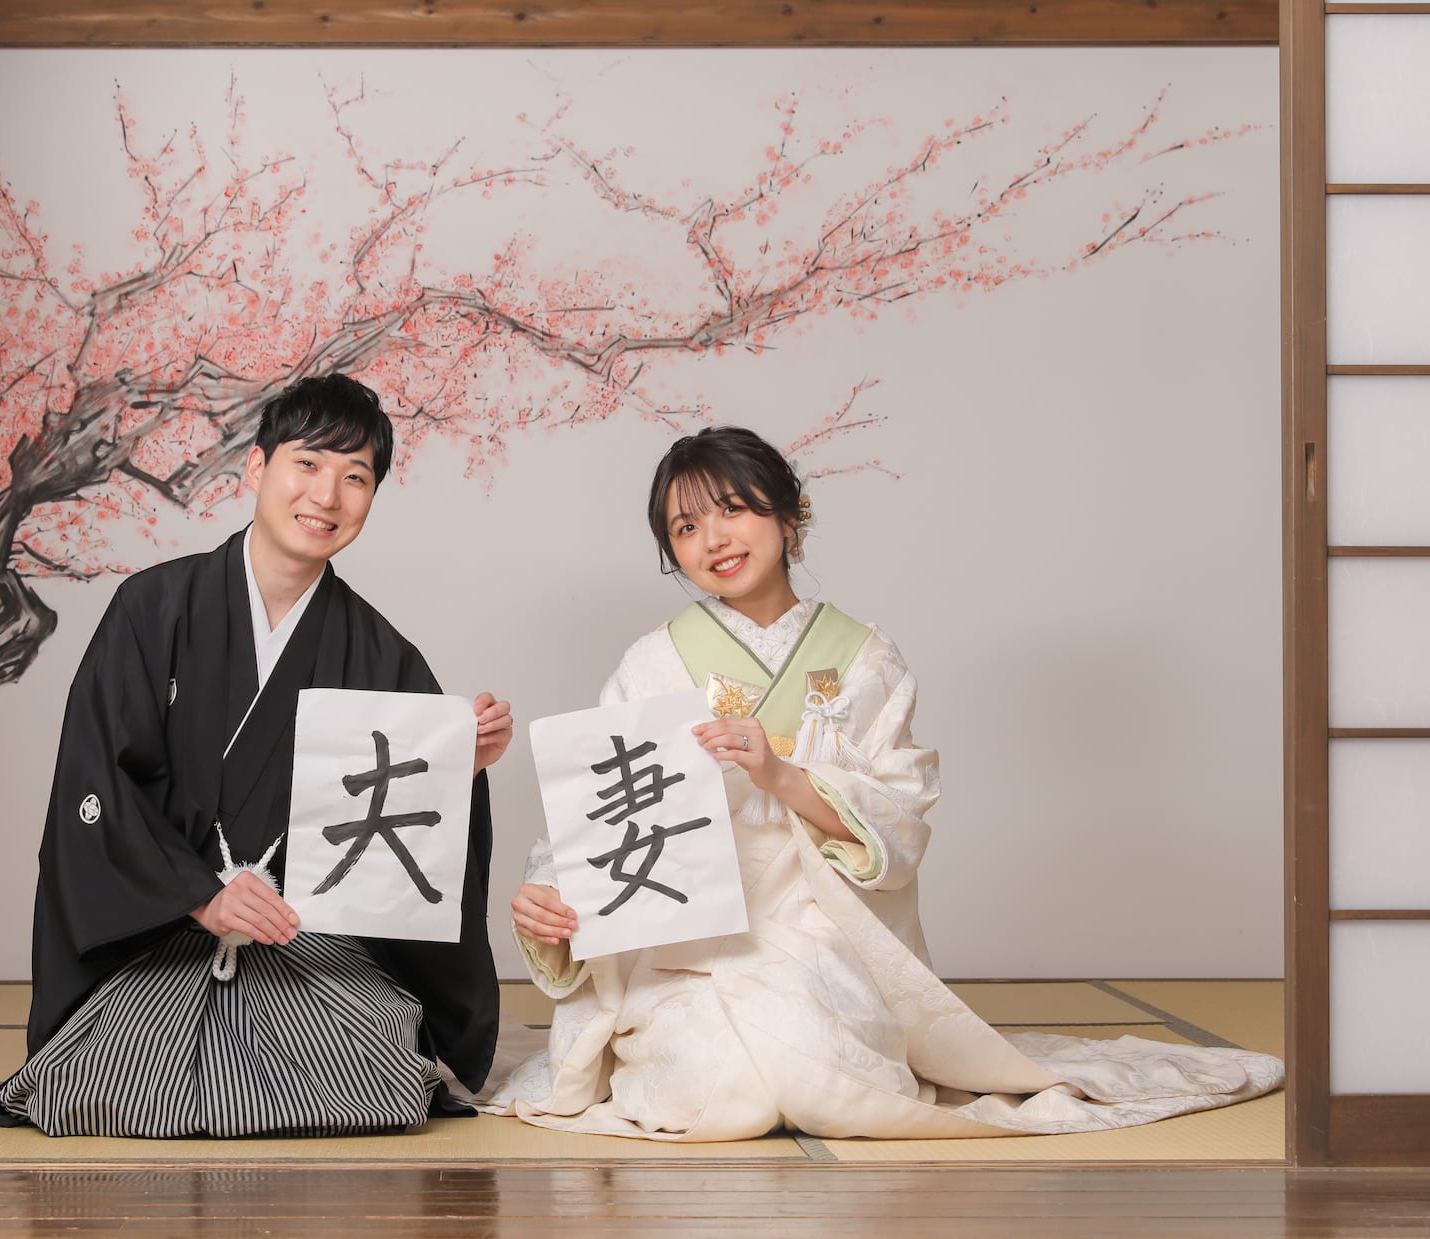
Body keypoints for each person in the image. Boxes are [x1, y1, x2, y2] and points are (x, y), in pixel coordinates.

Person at [486, 426, 1282, 1142]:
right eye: (685, 527)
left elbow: (898, 821)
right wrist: (551, 898)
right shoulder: (653, 662)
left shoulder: (865, 658)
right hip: (687, 949)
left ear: (789, 516)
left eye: (733, 509)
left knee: (815, 1078)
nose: (713, 540)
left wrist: (781, 774)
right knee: (717, 1097)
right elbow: (600, 809)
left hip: (822, 935)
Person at [0, 374, 512, 1138]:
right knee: (108, 1088)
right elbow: (93, 785)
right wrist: (198, 894)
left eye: (355, 477)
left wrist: (457, 768)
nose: (327, 496)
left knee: (378, 1085)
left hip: (307, 945)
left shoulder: (382, 653)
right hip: (160, 937)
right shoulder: (152, 609)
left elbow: (402, 853)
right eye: (308, 464)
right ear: (258, 467)